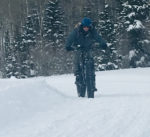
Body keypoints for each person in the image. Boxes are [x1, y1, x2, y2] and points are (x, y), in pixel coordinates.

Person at [66, 17, 107, 98]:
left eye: (87, 27)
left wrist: (103, 44)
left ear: (90, 26)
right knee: (77, 64)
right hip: (78, 48)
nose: (86, 28)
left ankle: (92, 82)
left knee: (91, 64)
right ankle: (78, 79)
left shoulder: (92, 31)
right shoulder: (77, 31)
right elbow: (70, 38)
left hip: (88, 49)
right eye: (85, 26)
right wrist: (68, 46)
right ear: (82, 25)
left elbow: (98, 37)